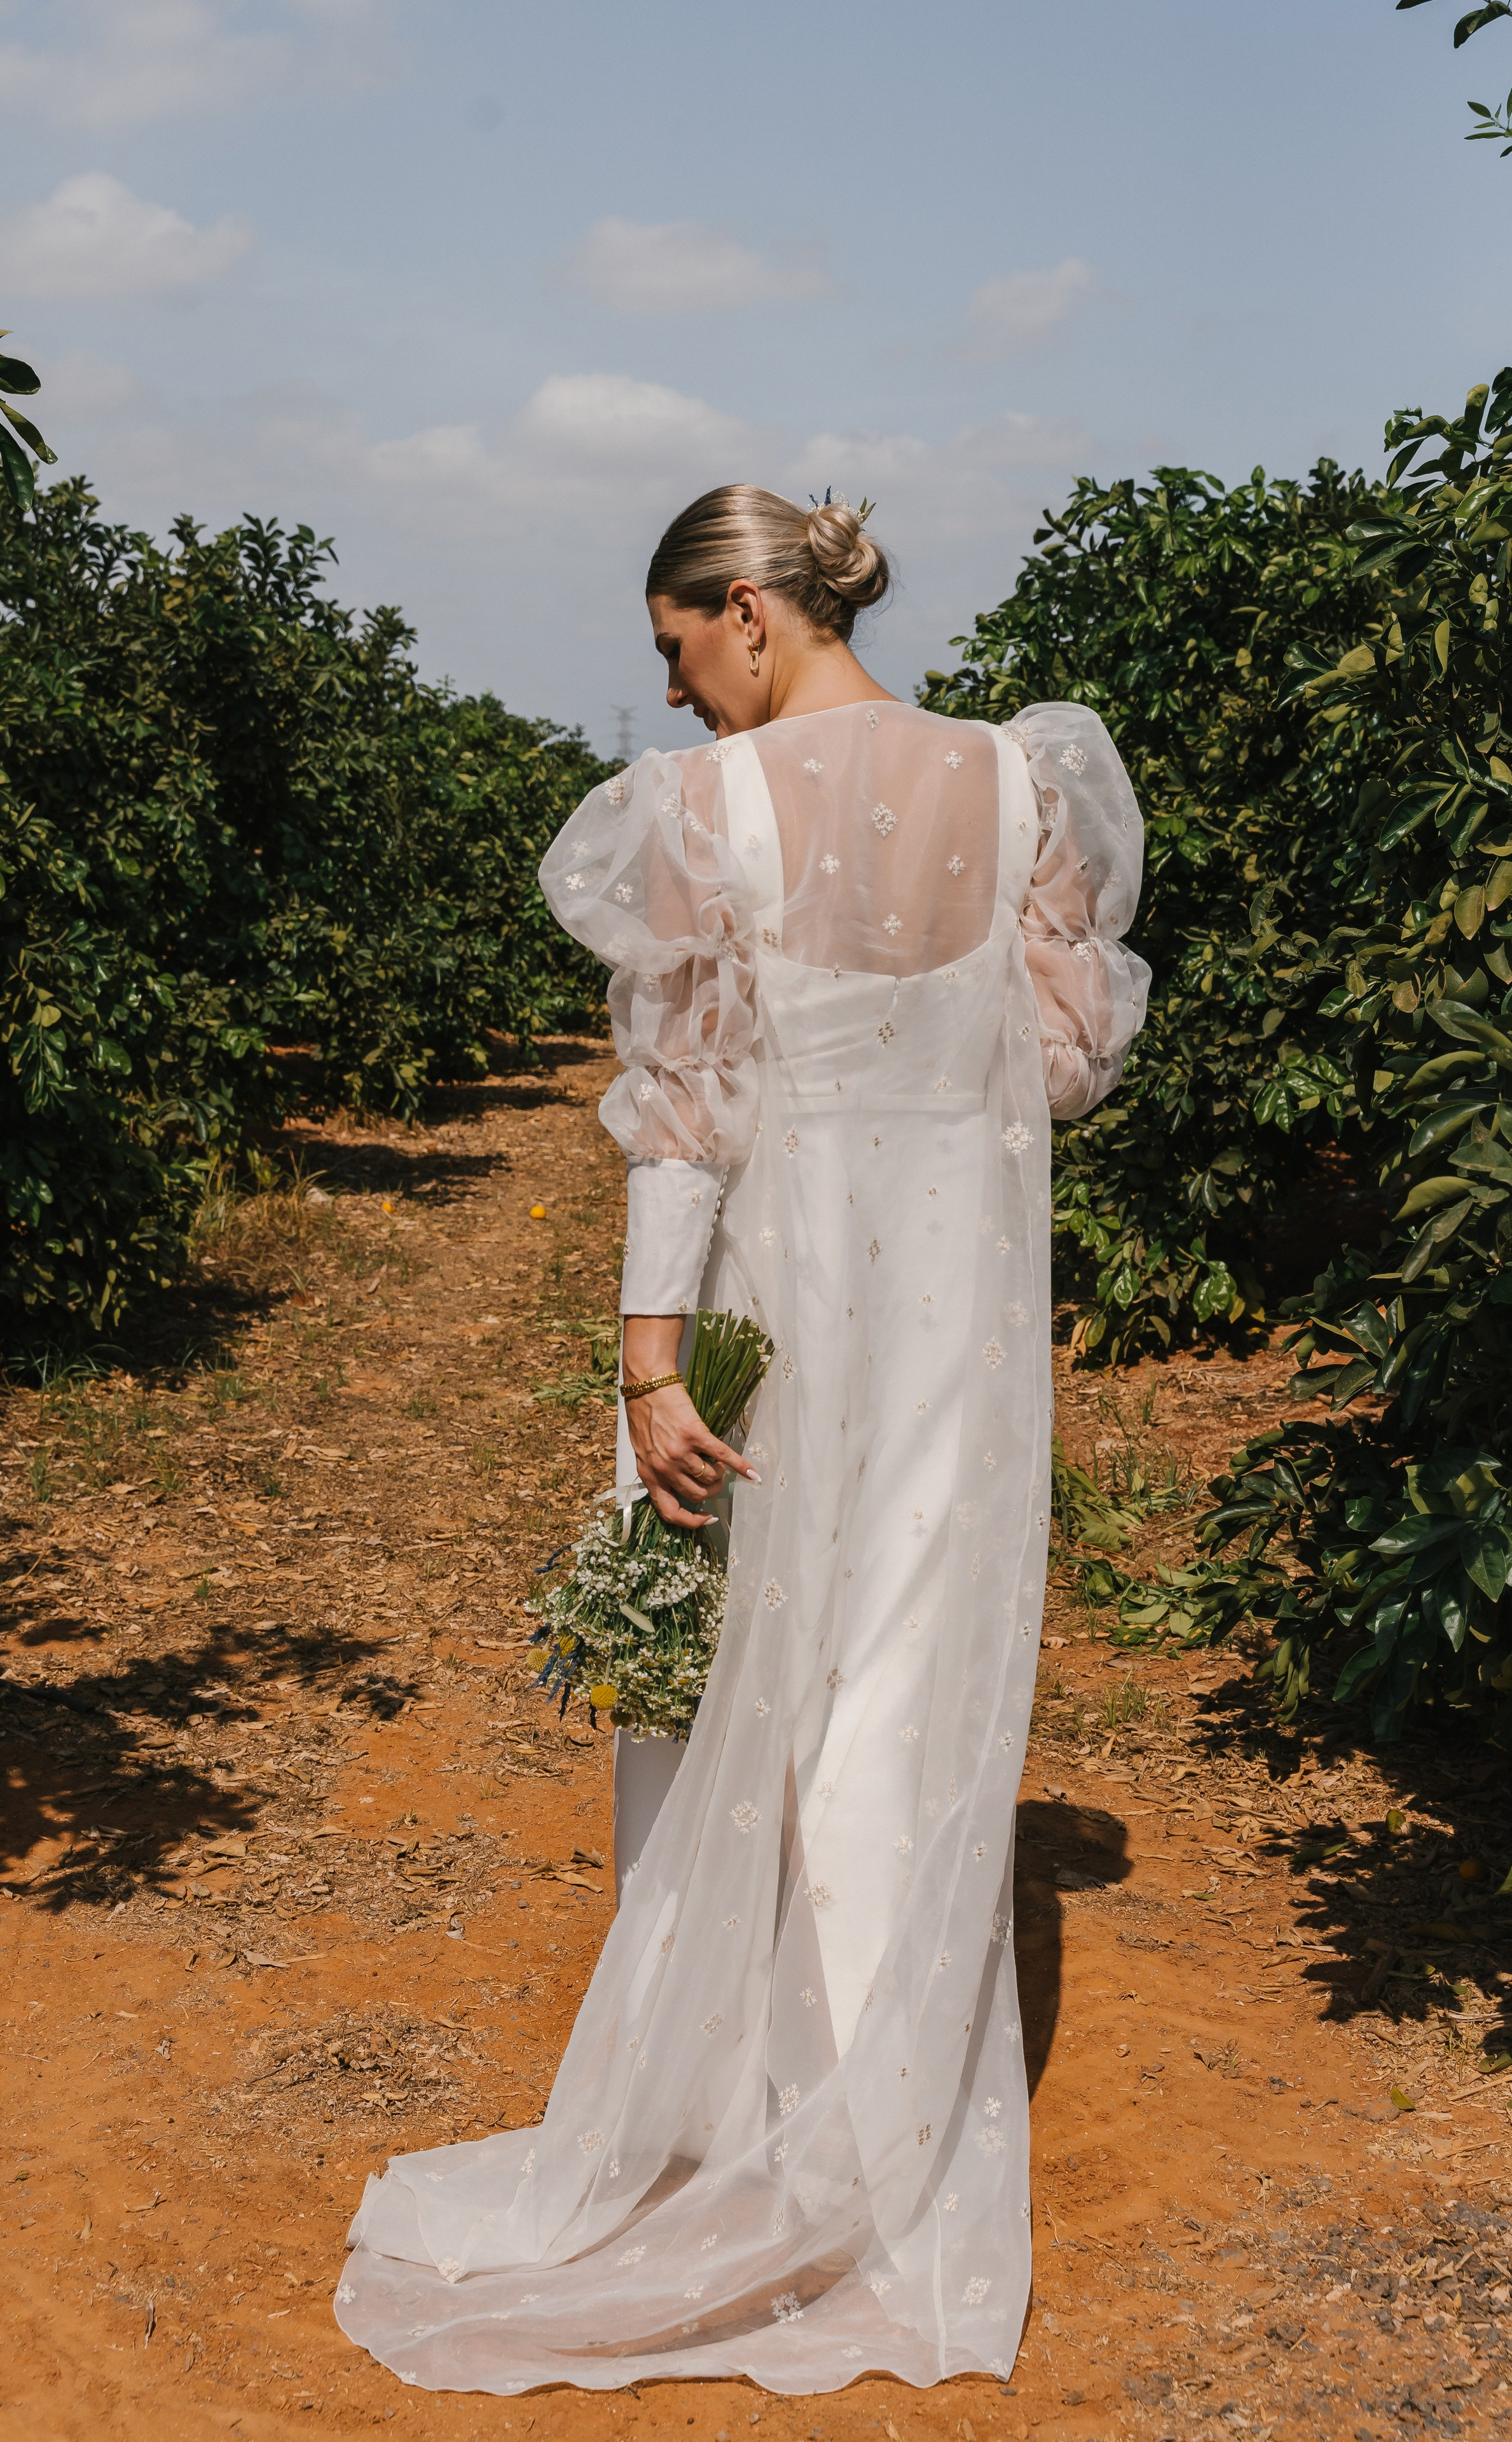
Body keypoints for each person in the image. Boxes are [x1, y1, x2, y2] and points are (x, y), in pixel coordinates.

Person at [334, 485, 1150, 2396]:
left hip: (774, 1311)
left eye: (678, 649)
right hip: (958, 1321)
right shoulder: (1030, 788)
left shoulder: (707, 818)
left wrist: (649, 1361)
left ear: (751, 615)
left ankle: (760, 2119)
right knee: (909, 1705)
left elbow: (686, 1116)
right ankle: (886, 2157)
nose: (680, 692)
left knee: (731, 1701)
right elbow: (1053, 1074)